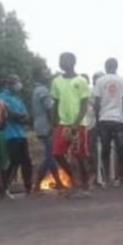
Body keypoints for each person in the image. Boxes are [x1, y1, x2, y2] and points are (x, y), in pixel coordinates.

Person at [51, 52, 91, 198]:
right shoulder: (56, 81)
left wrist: (77, 122)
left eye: (64, 60)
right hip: (63, 124)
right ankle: (75, 180)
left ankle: (85, 186)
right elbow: (55, 103)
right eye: (60, 60)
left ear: (73, 62)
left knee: (80, 156)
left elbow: (84, 104)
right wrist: (54, 122)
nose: (61, 62)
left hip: (78, 124)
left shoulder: (81, 81)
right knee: (57, 153)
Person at [93, 58, 123, 187]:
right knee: (121, 149)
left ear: (105, 67)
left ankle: (107, 180)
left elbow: (96, 103)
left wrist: (97, 120)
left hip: (104, 120)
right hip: (119, 120)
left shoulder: (99, 81)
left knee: (105, 150)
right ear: (116, 67)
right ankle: (120, 180)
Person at [0, 74, 34, 194]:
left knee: (26, 161)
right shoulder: (2, 97)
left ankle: (28, 187)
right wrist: (19, 116)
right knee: (13, 161)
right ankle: (4, 187)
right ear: (8, 84)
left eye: (18, 81)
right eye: (15, 82)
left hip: (21, 134)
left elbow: (26, 117)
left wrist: (18, 117)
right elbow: (9, 114)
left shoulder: (18, 99)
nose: (18, 84)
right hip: (9, 134)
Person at [32, 71, 65, 192]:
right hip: (47, 126)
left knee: (51, 155)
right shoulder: (43, 90)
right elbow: (49, 108)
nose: (47, 77)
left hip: (40, 125)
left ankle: (58, 182)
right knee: (50, 155)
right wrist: (54, 124)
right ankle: (37, 184)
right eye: (44, 75)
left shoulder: (36, 91)